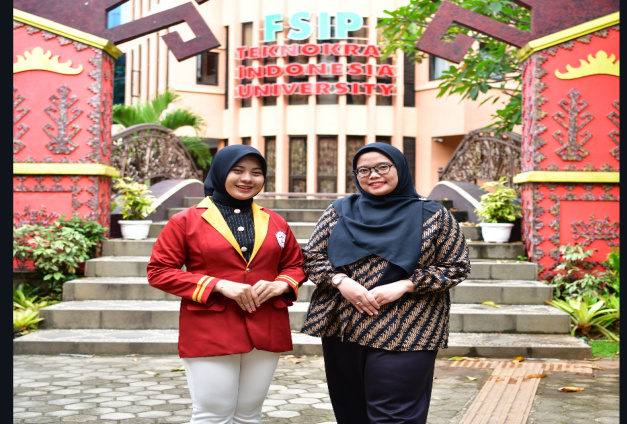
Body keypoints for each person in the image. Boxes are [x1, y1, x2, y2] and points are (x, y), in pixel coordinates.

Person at [300, 143, 471, 424]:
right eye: (364, 170)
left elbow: (457, 266)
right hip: (345, 326)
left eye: (382, 167)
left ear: (400, 168)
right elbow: (312, 257)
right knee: (350, 411)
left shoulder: (434, 215)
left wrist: (406, 284)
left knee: (394, 415)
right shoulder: (339, 211)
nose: (373, 175)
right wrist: (340, 281)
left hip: (409, 326)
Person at [147, 144, 306, 424]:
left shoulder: (276, 221)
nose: (247, 179)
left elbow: (295, 264)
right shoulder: (186, 221)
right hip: (210, 328)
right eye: (238, 170)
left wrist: (281, 284)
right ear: (220, 173)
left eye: (256, 173)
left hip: (266, 324)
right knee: (213, 415)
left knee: (249, 415)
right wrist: (218, 285)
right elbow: (159, 271)